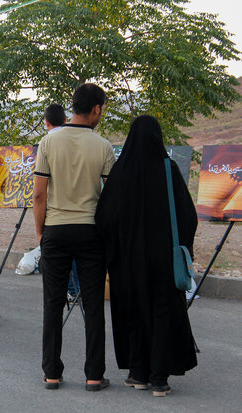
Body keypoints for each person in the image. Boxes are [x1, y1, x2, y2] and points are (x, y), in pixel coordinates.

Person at [95, 115, 198, 397]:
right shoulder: (169, 169)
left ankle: (137, 372)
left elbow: (104, 217)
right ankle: (159, 378)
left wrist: (113, 249)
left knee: (132, 310)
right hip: (163, 259)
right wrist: (184, 246)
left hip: (127, 261)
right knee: (162, 311)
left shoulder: (121, 172)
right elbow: (188, 215)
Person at [33, 84, 115, 390]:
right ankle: (94, 375)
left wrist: (41, 231)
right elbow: (110, 197)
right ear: (96, 109)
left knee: (53, 303)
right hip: (91, 231)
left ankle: (52, 373)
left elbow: (39, 194)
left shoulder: (48, 142)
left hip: (55, 228)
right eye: (102, 110)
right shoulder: (104, 147)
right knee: (93, 304)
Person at [43, 104, 80, 300]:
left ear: (46, 122)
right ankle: (76, 288)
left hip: (55, 207)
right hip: (78, 204)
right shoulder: (74, 140)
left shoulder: (47, 142)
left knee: (58, 252)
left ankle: (68, 289)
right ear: (65, 120)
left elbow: (41, 186)